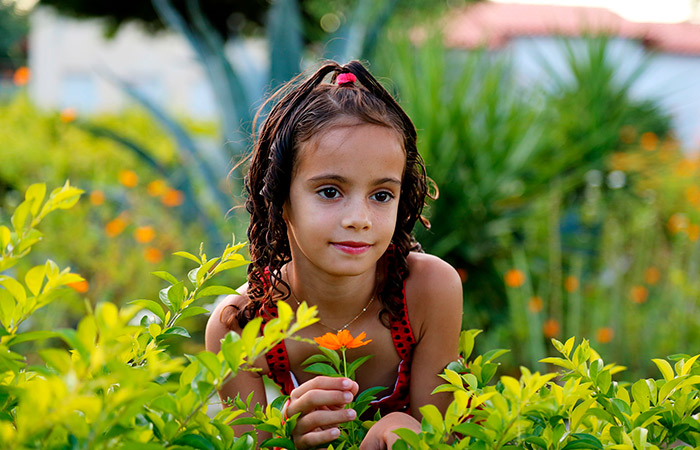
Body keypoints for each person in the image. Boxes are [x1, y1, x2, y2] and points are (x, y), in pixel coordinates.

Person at [206, 60, 463, 450]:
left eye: (381, 195)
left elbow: (447, 439)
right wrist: (286, 440)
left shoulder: (428, 292)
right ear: (281, 199)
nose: (359, 219)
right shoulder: (241, 327)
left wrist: (400, 426)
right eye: (330, 191)